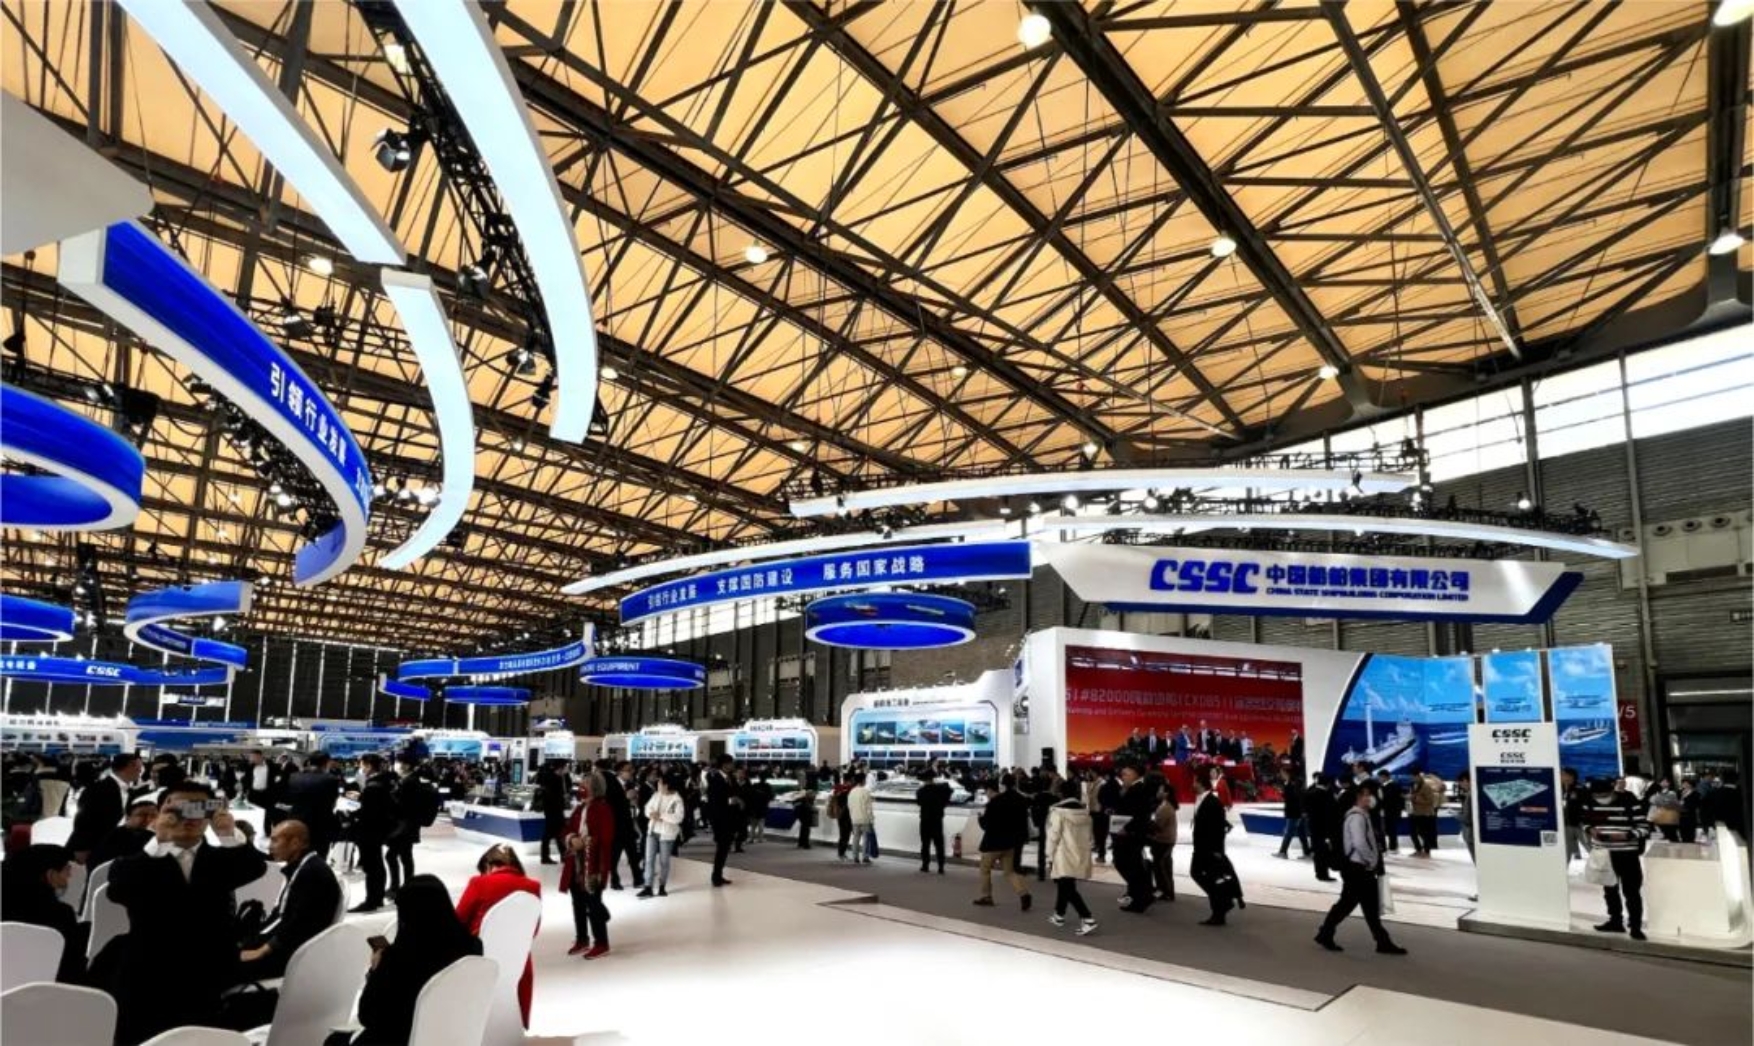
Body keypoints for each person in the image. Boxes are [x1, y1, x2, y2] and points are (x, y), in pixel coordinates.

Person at [106, 782, 266, 1044]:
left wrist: (227, 833)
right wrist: (159, 841)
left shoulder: (221, 859)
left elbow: (255, 867)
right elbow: (118, 890)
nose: (188, 817)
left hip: (209, 973)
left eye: (198, 809)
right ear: (159, 814)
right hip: (148, 971)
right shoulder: (139, 857)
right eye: (178, 810)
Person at [335, 875, 483, 1046]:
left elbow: (368, 1016)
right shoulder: (473, 947)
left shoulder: (398, 958)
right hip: (453, 1035)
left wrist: (375, 970)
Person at [233, 819, 342, 991]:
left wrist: (261, 950)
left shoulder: (311, 873)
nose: (270, 846)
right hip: (284, 947)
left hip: (290, 956)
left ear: (295, 843)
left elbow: (298, 925)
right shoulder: (305, 867)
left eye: (275, 840)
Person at [1315, 780, 1407, 955]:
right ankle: (1326, 932)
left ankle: (1382, 941)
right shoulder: (1357, 817)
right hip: (1357, 868)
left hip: (1358, 868)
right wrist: (1371, 860)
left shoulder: (1362, 815)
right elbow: (1359, 843)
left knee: (1367, 906)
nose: (1371, 798)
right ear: (1359, 797)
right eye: (1368, 795)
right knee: (1349, 904)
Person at [456, 844, 540, 1026]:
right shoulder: (533, 886)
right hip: (518, 958)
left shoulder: (478, 883)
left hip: (481, 956)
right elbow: (533, 929)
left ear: (488, 865)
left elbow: (458, 921)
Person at [0, 843, 90, 983]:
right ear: (50, 875)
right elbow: (71, 967)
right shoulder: (60, 915)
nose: (70, 875)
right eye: (66, 869)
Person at [1580, 775, 1649, 940]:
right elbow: (1585, 822)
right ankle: (1615, 920)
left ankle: (1635, 926)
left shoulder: (1629, 802)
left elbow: (1644, 827)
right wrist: (1590, 830)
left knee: (1631, 891)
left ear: (1612, 791)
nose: (1600, 798)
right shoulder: (1589, 803)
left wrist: (1626, 835)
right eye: (1597, 795)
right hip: (1603, 853)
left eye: (1604, 795)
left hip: (1627, 853)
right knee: (1609, 890)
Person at [562, 775, 614, 959]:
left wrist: (586, 842)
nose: (582, 787)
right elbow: (567, 829)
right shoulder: (580, 808)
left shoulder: (603, 808)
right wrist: (571, 839)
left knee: (593, 901)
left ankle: (601, 943)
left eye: (586, 784)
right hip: (575, 863)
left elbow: (607, 837)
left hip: (594, 864)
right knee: (577, 901)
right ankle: (582, 938)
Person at [1044, 778, 1097, 935]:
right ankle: (1059, 915)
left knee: (1067, 887)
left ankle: (1087, 918)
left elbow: (1053, 836)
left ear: (1061, 793)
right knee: (1066, 885)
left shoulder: (1057, 812)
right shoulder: (1085, 812)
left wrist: (1049, 855)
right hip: (1080, 853)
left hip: (1063, 854)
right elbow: (1090, 838)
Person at [69, 751, 144, 860]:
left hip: (113, 849)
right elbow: (83, 821)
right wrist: (82, 848)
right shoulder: (98, 789)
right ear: (129, 766)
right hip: (92, 850)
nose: (140, 771)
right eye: (139, 767)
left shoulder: (131, 791)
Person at [972, 776, 1032, 911]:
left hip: (992, 844)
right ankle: (1023, 893)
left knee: (985, 870)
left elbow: (986, 825)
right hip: (1009, 843)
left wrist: (980, 819)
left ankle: (986, 896)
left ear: (989, 790)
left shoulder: (993, 804)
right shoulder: (1012, 800)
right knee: (1009, 872)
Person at [1188, 770, 1238, 926]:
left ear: (1200, 783)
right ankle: (1222, 904)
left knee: (1208, 877)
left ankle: (1220, 908)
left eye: (1194, 781)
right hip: (1201, 847)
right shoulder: (1202, 800)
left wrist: (1217, 851)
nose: (1192, 784)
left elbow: (1217, 829)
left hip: (1209, 849)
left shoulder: (1212, 802)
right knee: (1201, 875)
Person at [349, 754, 398, 912]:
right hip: (379, 830)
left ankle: (372, 900)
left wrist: (353, 811)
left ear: (369, 765)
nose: (361, 768)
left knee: (372, 866)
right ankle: (376, 898)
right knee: (376, 864)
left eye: (362, 765)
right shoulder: (384, 781)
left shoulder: (373, 785)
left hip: (370, 831)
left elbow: (369, 812)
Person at [1110, 763, 1155, 913]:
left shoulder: (1139, 789)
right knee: (1131, 865)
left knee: (1126, 864)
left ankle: (1141, 896)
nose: (1123, 777)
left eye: (1126, 774)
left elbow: (1141, 814)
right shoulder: (1132, 789)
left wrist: (1127, 829)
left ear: (1136, 774)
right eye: (1122, 774)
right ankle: (1140, 895)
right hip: (1127, 832)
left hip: (1130, 834)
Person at [286, 753, 343, 856]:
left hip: (297, 820)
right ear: (326, 763)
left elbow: (289, 798)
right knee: (320, 855)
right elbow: (332, 802)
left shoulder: (293, 777)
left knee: (297, 853)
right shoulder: (331, 779)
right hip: (321, 823)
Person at [639, 772, 685, 898]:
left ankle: (662, 886)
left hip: (666, 834)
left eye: (660, 783)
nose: (657, 785)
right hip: (652, 831)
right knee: (649, 860)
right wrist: (650, 814)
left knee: (664, 862)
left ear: (666, 785)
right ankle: (648, 887)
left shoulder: (677, 799)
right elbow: (647, 808)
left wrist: (661, 816)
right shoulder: (656, 795)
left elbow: (678, 818)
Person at [387, 759, 429, 896]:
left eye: (400, 763)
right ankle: (405, 886)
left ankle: (398, 887)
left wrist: (391, 798)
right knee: (404, 856)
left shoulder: (410, 781)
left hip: (404, 825)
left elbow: (404, 804)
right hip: (407, 825)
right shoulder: (410, 780)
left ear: (407, 765)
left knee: (395, 856)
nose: (398, 766)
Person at [90, 797, 159, 870]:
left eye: (153, 816)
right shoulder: (112, 837)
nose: (148, 819)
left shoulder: (153, 837)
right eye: (142, 815)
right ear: (127, 817)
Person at [604, 762, 643, 891]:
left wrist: (633, 800)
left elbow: (632, 803)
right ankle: (614, 881)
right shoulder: (611, 784)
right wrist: (626, 798)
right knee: (614, 856)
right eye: (628, 770)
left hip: (628, 825)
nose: (631, 772)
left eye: (632, 769)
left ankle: (638, 879)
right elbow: (611, 805)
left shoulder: (630, 784)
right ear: (620, 771)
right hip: (616, 827)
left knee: (633, 855)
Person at [704, 755, 740, 887]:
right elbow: (714, 801)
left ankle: (718, 875)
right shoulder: (715, 779)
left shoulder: (730, 778)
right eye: (731, 763)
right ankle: (716, 876)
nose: (732, 765)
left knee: (724, 848)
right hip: (720, 820)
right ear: (724, 764)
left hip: (729, 818)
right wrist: (731, 800)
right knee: (722, 848)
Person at [535, 761, 571, 865]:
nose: (567, 769)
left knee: (556, 833)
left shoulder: (550, 777)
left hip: (551, 810)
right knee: (554, 833)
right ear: (561, 768)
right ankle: (549, 856)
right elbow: (564, 790)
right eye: (566, 767)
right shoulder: (555, 779)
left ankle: (558, 855)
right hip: (555, 810)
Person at [916, 769, 952, 874]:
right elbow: (949, 792)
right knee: (939, 844)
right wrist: (943, 805)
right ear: (933, 779)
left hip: (925, 820)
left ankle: (925, 865)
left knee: (925, 844)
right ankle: (941, 867)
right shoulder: (941, 789)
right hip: (937, 820)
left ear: (924, 780)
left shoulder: (920, 791)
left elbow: (919, 803)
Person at [1149, 778, 1178, 902]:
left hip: (1163, 841)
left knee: (1161, 868)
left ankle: (1165, 891)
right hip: (1166, 840)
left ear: (1166, 793)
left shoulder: (1165, 807)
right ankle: (1166, 891)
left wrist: (1148, 824)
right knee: (1164, 866)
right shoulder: (1165, 805)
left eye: (1160, 790)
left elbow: (1158, 826)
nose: (1158, 792)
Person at [1274, 766, 1309, 859]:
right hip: (1296, 812)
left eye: (1282, 773)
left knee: (1289, 832)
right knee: (1301, 833)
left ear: (1287, 773)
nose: (1281, 775)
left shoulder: (1294, 784)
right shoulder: (1290, 783)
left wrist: (1283, 792)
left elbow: (1296, 798)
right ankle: (1307, 852)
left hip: (1294, 812)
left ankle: (1283, 852)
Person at [1702, 770, 1745, 840]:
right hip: (1740, 828)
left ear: (1722, 780)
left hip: (1720, 826)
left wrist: (1708, 827)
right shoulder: (1742, 794)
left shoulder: (1713, 793)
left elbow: (1706, 811)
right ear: (1737, 780)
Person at [846, 772, 876, 863]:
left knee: (856, 838)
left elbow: (849, 806)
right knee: (866, 839)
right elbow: (869, 808)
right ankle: (865, 857)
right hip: (864, 819)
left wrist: (852, 817)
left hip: (854, 818)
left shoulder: (851, 792)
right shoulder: (865, 792)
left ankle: (855, 857)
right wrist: (871, 819)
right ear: (863, 780)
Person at [1093, 769, 1121, 864]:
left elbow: (1099, 798)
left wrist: (1106, 806)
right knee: (1115, 837)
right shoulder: (1119, 786)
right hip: (1116, 813)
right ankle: (1115, 858)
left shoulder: (1104, 786)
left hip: (1104, 813)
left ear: (1107, 776)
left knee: (1102, 836)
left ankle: (1101, 856)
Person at [1376, 770, 1406, 852]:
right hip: (1386, 811)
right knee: (1388, 829)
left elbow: (1393, 799)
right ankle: (1390, 846)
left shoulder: (1394, 786)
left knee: (1391, 829)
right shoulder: (1382, 786)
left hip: (1392, 811)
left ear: (1384, 777)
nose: (1379, 779)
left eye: (1380, 777)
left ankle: (1393, 847)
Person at [1561, 768, 1586, 862]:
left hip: (1579, 824)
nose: (1561, 776)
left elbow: (1585, 806)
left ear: (1571, 777)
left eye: (1563, 774)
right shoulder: (1559, 789)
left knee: (1589, 846)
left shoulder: (1580, 789)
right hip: (1565, 825)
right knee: (1566, 851)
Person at [829, 772, 854, 859]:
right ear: (850, 779)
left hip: (839, 813)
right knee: (846, 834)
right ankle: (842, 852)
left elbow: (834, 797)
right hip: (847, 813)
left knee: (842, 833)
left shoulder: (838, 787)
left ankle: (841, 852)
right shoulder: (850, 789)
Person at [745, 771, 774, 844]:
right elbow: (771, 796)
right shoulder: (767, 786)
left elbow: (749, 795)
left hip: (754, 807)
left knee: (753, 825)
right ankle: (760, 838)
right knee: (761, 824)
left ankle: (751, 838)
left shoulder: (755, 785)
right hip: (762, 807)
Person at [793, 773, 818, 850]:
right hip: (806, 812)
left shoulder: (802, 792)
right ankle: (805, 844)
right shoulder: (807, 791)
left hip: (802, 812)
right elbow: (810, 798)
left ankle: (801, 843)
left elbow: (795, 801)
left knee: (803, 828)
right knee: (806, 829)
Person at [1679, 777, 1701, 844]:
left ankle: (1690, 844)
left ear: (1691, 784)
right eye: (1683, 783)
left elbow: (1696, 805)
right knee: (1682, 832)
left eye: (1686, 783)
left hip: (1690, 815)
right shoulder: (1679, 792)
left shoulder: (1696, 793)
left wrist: (1685, 804)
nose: (1684, 785)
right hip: (1681, 815)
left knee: (1690, 833)